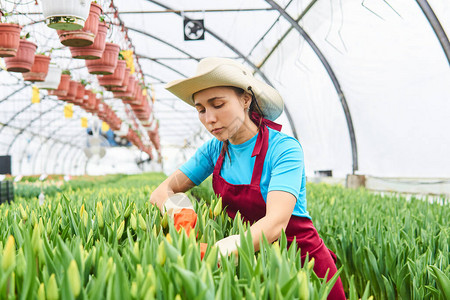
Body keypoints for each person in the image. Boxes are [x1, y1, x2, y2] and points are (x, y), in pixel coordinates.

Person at [149, 57, 345, 299]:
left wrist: (221, 248)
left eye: (218, 104)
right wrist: (182, 216)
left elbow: (276, 223)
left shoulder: (283, 149)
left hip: (302, 263)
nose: (209, 118)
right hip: (251, 264)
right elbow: (160, 193)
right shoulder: (214, 150)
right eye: (201, 109)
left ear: (245, 99)